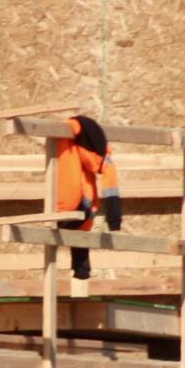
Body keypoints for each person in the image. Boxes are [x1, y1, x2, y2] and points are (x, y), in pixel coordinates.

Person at [54, 114, 121, 292]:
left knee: (76, 234)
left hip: (65, 205)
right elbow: (109, 180)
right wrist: (114, 218)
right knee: (80, 232)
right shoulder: (95, 152)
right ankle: (81, 274)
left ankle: (80, 276)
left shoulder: (71, 138)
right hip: (75, 206)